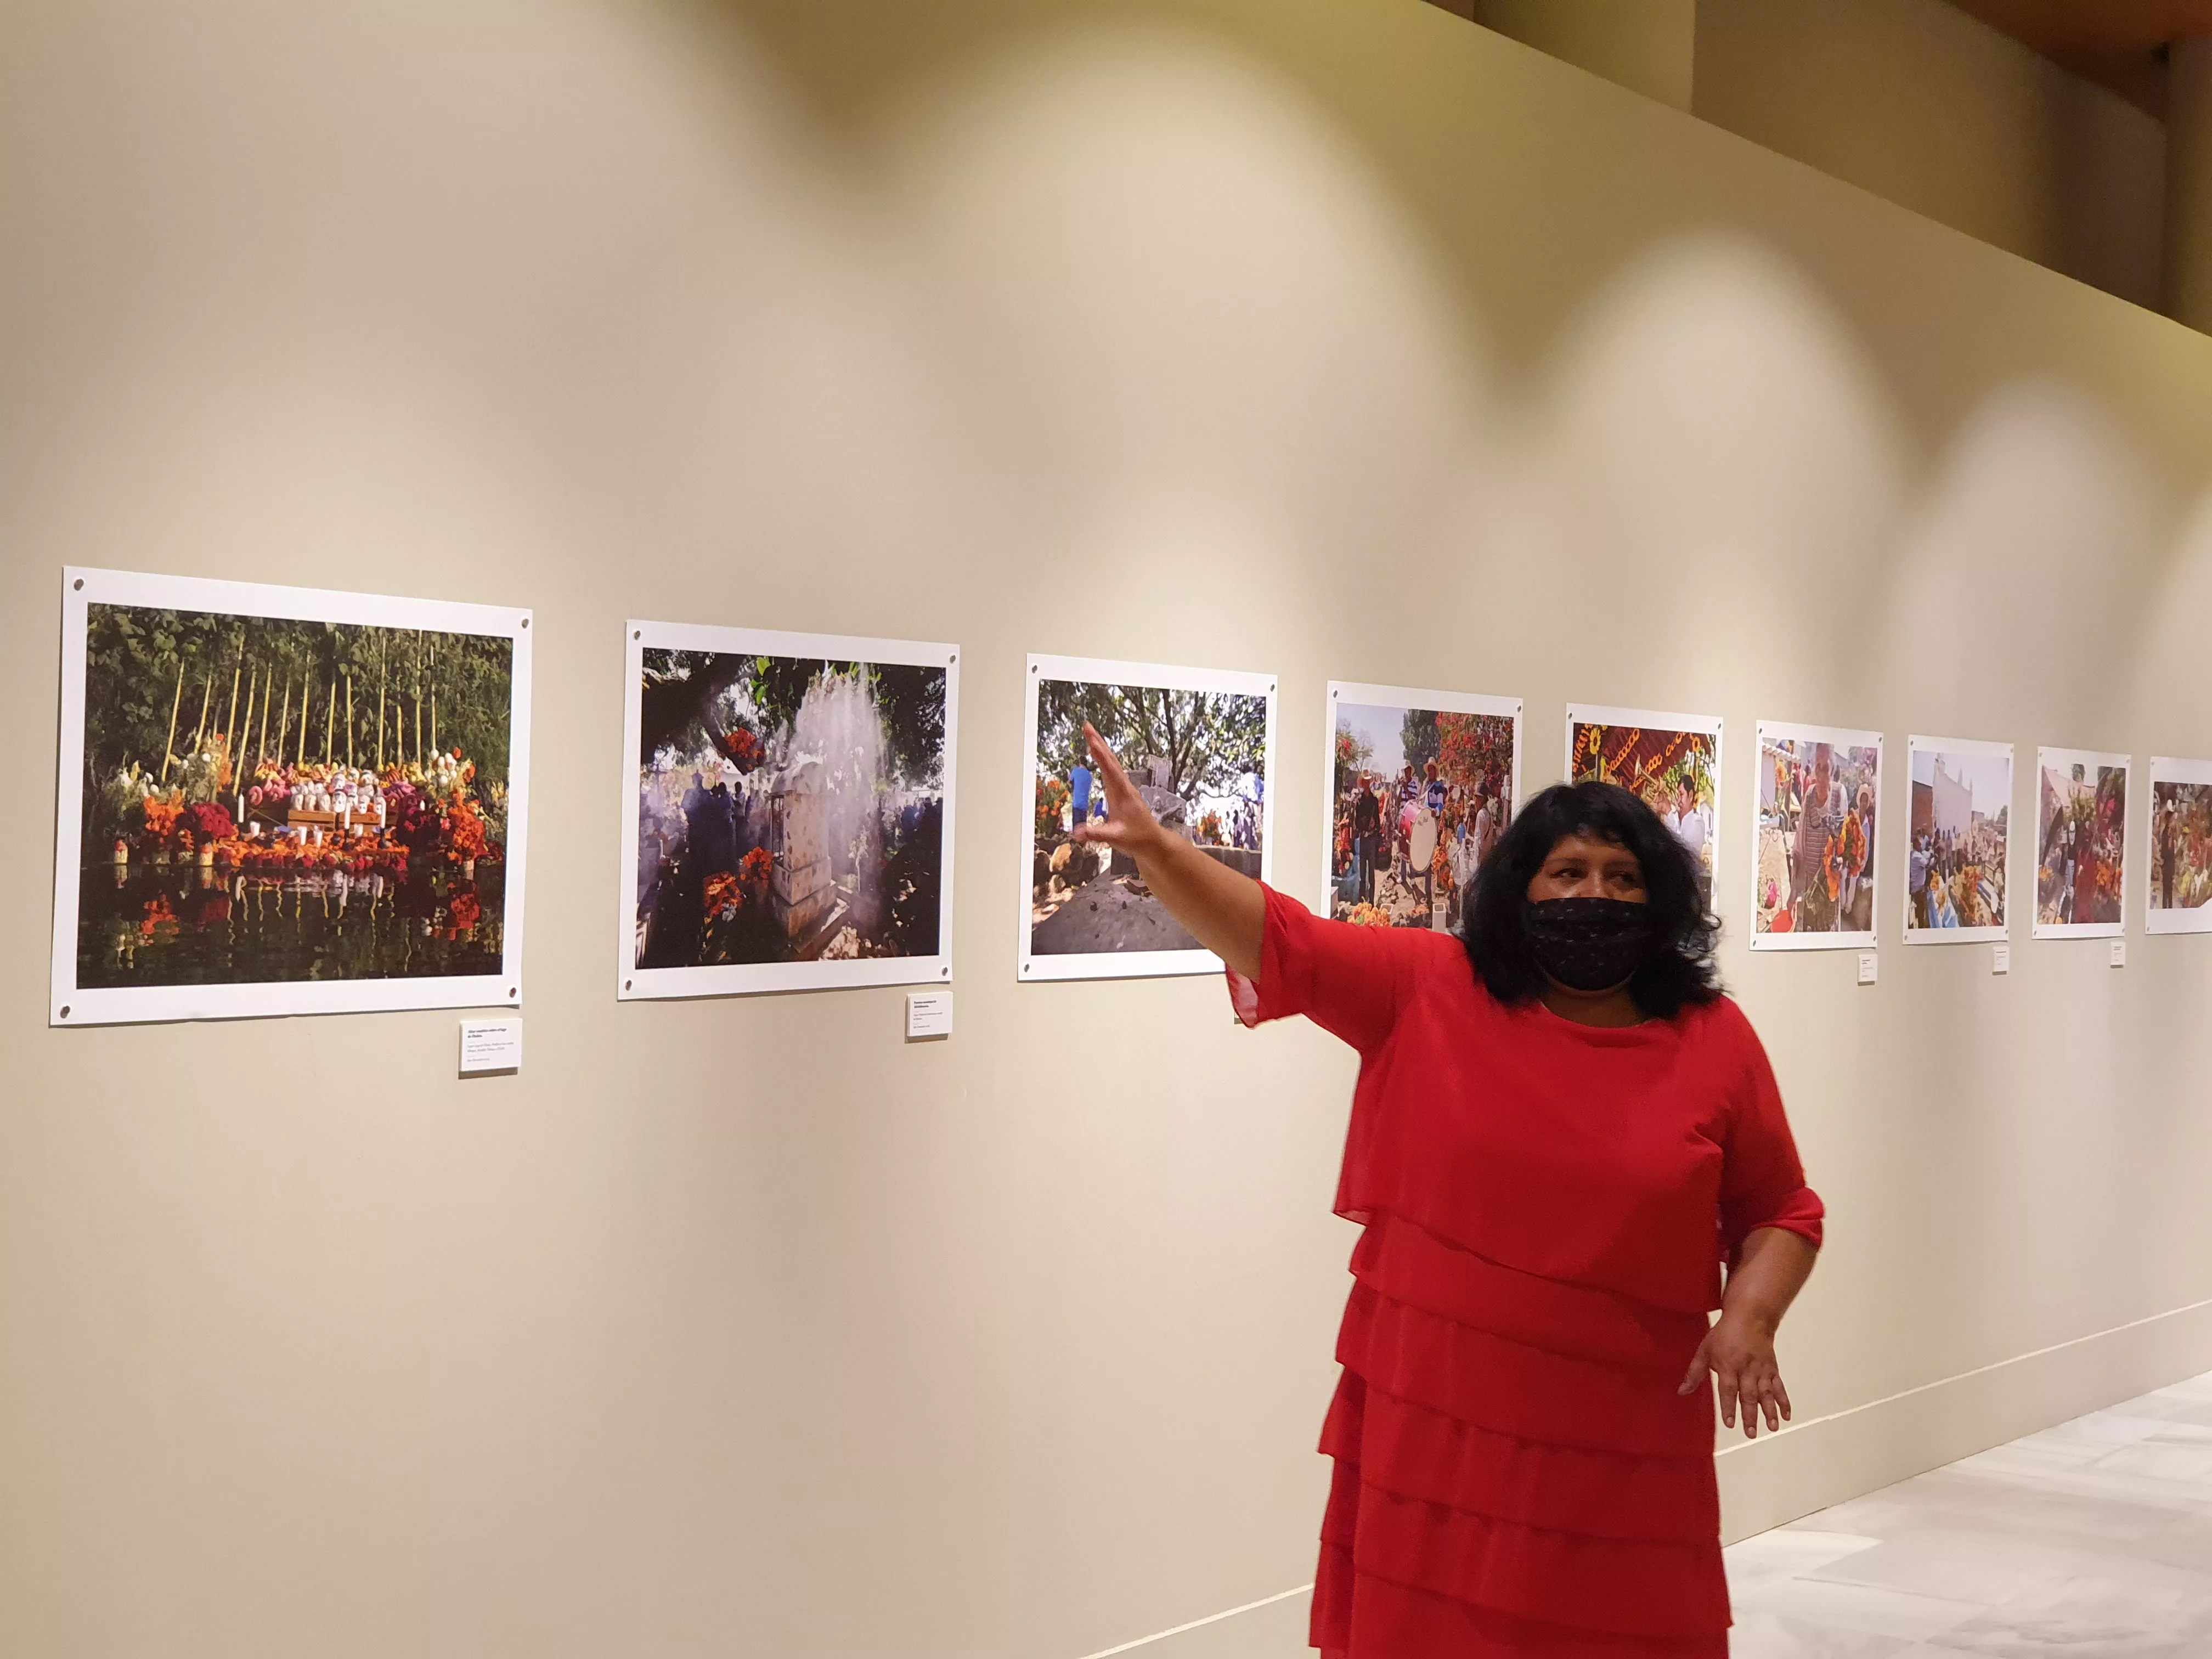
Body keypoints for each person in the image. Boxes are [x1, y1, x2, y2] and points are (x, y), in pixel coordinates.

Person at [1073, 726, 1821, 1659]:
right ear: (1520, 890)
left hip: (1621, 1437)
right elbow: (1284, 938)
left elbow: (1781, 1209)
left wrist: (1749, 1314)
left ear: (1660, 899)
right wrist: (1162, 853)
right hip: (1439, 1428)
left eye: (1623, 878)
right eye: (1568, 871)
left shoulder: (1714, 1038)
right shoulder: (1431, 986)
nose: (1595, 893)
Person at [1352, 776, 1384, 906]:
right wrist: (1364, 826)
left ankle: (1371, 902)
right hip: (1363, 841)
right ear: (1363, 783)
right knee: (1362, 875)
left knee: (1371, 873)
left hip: (1371, 841)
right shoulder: (1359, 801)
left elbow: (1378, 823)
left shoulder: (1375, 801)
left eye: (1368, 781)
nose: (1366, 784)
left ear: (1370, 783)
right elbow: (1356, 822)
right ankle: (1362, 902)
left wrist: (1373, 827)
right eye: (1364, 781)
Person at [1068, 751, 1093, 836]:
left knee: (1076, 830)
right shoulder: (1089, 776)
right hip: (1085, 806)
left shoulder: (1076, 771)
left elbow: (1069, 782)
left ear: (1080, 763)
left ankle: (1076, 845)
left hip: (1077, 804)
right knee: (1082, 830)